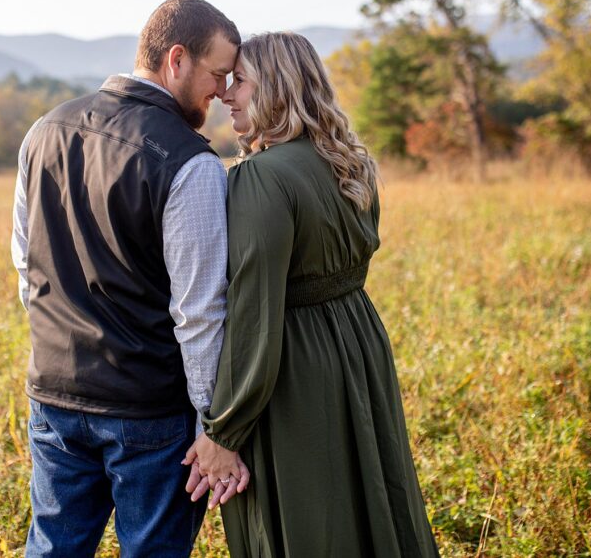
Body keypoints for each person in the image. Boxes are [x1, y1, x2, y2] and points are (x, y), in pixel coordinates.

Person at [184, 32, 440, 557]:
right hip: (358, 343)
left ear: (275, 88)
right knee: (366, 490)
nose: (228, 96)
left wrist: (223, 431)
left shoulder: (261, 178)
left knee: (309, 516)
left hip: (295, 367)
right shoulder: (350, 163)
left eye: (242, 83)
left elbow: (256, 316)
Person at [11, 0, 249, 558]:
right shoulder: (190, 163)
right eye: (217, 74)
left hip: (52, 392)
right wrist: (214, 425)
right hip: (148, 413)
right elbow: (199, 314)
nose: (221, 91)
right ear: (176, 60)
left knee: (51, 550)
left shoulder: (43, 130)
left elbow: (27, 267)